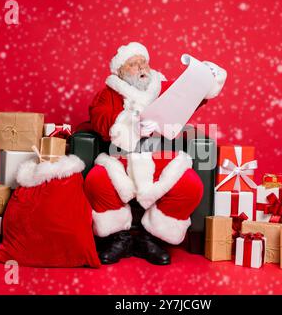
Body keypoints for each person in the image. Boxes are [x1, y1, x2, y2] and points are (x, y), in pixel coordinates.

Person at [84, 42, 226, 265]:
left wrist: (206, 77)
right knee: (97, 180)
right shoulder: (107, 95)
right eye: (133, 64)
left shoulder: (162, 86)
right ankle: (118, 238)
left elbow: (193, 96)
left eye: (144, 62)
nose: (141, 68)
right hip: (121, 157)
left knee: (190, 185)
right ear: (120, 71)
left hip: (160, 156)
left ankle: (151, 239)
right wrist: (131, 125)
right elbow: (99, 120)